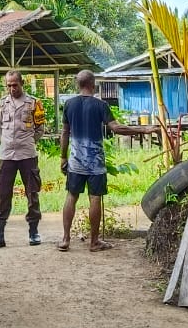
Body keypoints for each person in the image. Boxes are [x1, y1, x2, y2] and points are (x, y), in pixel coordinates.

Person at [58, 70, 158, 253]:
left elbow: (64, 132)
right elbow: (116, 128)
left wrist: (63, 156)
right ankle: (94, 242)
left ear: (78, 85)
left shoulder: (69, 104)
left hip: (75, 160)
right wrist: (144, 130)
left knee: (71, 196)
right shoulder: (100, 105)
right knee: (95, 198)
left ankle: (65, 239)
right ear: (93, 85)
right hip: (95, 161)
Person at [0, 70, 46, 250]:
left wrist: (27, 142)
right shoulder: (2, 104)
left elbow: (40, 128)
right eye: (9, 85)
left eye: (14, 85)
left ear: (21, 83)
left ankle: (34, 232)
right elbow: (0, 126)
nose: (11, 88)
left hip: (27, 155)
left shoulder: (34, 103)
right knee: (3, 194)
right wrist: (9, 143)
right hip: (7, 156)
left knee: (32, 193)